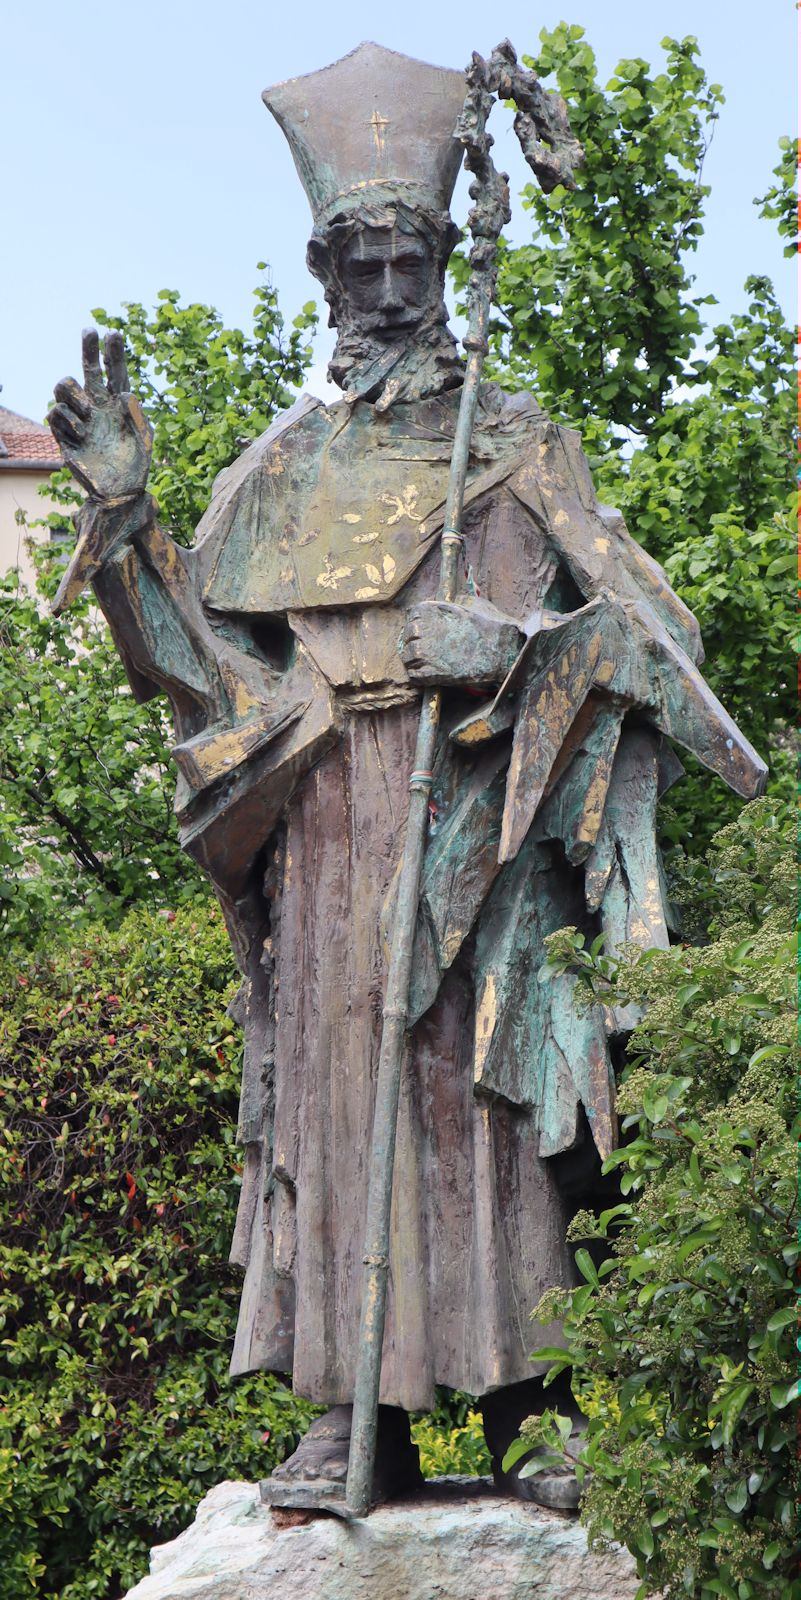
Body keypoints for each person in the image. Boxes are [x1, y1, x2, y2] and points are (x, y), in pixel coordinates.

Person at [48, 42, 766, 1509]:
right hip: (323, 829)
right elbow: (202, 680)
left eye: (412, 259)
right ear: (322, 274)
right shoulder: (269, 475)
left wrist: (509, 642)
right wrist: (129, 533)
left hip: (478, 828)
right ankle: (343, 1410)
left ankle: (525, 1404)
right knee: (328, 1101)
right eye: (360, 265)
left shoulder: (515, 447)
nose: (388, 292)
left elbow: (660, 647)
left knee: (482, 1107)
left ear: (444, 257)